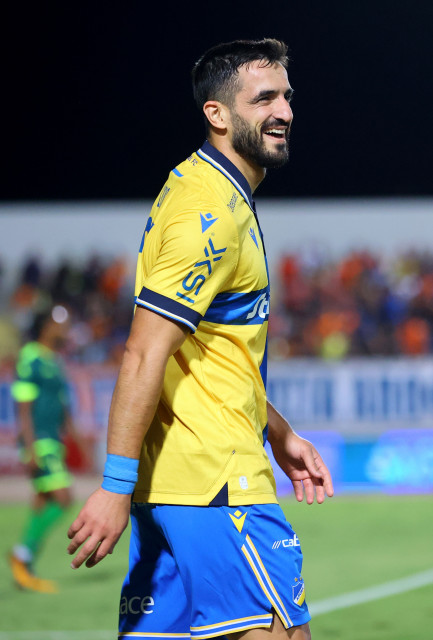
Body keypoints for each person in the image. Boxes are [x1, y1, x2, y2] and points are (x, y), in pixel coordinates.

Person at [67, 39, 334, 640]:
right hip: (218, 484)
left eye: (287, 96)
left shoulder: (203, 189)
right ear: (217, 113)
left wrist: (278, 431)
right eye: (263, 98)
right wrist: (112, 487)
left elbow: (205, 355)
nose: (284, 112)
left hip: (177, 485)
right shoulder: (209, 215)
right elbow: (144, 351)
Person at [9, 305, 82, 593]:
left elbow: (64, 406)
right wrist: (30, 446)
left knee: (42, 501)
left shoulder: (54, 359)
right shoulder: (30, 357)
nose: (64, 329)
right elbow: (23, 406)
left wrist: (76, 439)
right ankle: (22, 553)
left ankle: (25, 568)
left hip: (54, 440)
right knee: (64, 498)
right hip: (39, 441)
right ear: (45, 326)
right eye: (58, 323)